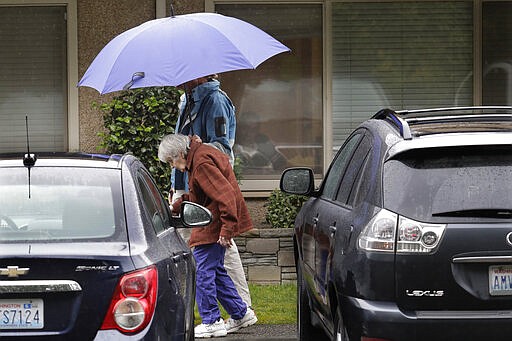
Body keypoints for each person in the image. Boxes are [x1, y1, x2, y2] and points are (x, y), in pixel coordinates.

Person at [159, 134, 257, 338]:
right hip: (214, 221)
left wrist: (226, 229)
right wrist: (176, 205)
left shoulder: (201, 162)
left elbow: (226, 195)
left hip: (212, 224)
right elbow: (200, 195)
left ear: (179, 153)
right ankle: (240, 313)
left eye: (171, 161)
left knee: (202, 272)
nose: (173, 166)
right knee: (216, 272)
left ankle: (211, 321)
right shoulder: (200, 156)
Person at [170, 74, 254, 310]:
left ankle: (241, 307)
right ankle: (237, 310)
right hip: (188, 187)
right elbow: (180, 151)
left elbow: (222, 148)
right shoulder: (187, 101)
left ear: (198, 74)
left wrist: (198, 146)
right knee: (206, 250)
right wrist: (176, 186)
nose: (176, 78)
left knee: (221, 246)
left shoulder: (215, 100)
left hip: (207, 189)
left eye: (181, 72)